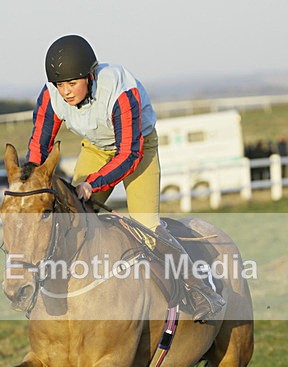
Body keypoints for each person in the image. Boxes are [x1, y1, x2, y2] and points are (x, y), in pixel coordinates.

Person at [25, 34, 224, 322]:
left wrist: (92, 185)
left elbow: (128, 153)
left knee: (147, 226)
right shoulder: (50, 95)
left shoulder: (120, 91)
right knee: (69, 215)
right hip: (96, 148)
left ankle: (199, 289)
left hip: (138, 149)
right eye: (60, 85)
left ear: (90, 76)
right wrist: (31, 180)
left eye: (72, 83)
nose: (65, 92)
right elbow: (39, 144)